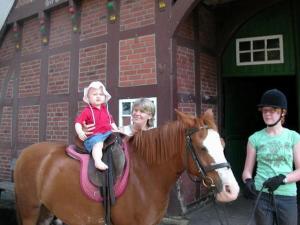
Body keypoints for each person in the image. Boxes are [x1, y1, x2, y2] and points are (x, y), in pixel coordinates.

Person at [242, 89, 300, 225]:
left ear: (282, 112)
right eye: (264, 110)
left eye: (272, 110)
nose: (267, 114)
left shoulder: (294, 137)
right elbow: (247, 170)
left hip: (287, 196)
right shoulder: (254, 138)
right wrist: (248, 181)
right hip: (262, 195)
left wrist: (282, 179)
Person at [75, 81, 119, 170]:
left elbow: (111, 121)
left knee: (118, 141)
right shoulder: (87, 111)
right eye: (94, 94)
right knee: (98, 144)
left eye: (101, 94)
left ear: (105, 96)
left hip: (107, 133)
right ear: (88, 98)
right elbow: (78, 122)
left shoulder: (105, 110)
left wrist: (116, 129)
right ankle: (97, 161)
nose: (98, 96)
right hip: (95, 136)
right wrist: (80, 132)